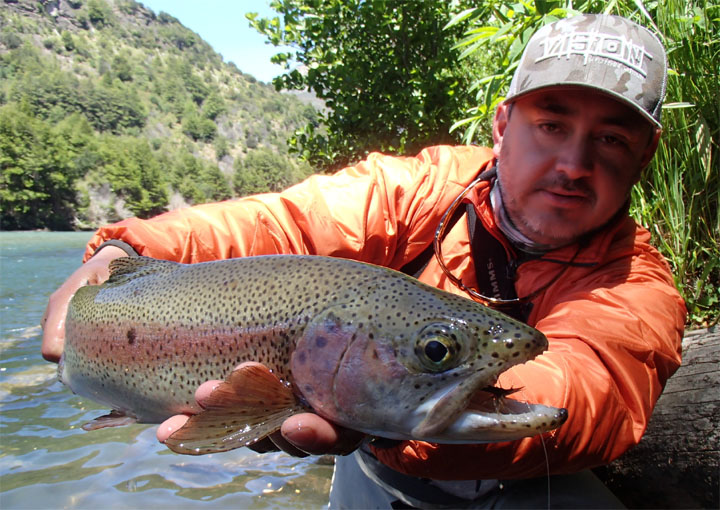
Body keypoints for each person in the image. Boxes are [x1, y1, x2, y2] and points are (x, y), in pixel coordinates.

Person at [42, 14, 686, 508]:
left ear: (645, 154)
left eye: (610, 137)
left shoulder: (639, 281)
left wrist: (399, 410)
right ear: (502, 123)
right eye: (552, 124)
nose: (573, 164)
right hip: (375, 460)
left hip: (520, 478)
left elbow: (586, 391)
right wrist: (131, 249)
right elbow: (281, 221)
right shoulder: (426, 192)